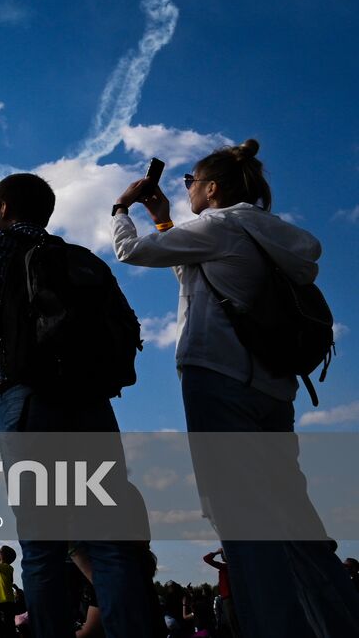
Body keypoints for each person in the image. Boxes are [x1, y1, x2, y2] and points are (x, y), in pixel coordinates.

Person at [113, 138, 359, 637]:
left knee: (241, 522)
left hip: (217, 378)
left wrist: (122, 208)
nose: (186, 190)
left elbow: (130, 250)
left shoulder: (218, 225)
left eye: (190, 183)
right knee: (294, 520)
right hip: (274, 388)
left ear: (213, 188)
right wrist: (164, 219)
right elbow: (200, 271)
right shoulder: (270, 236)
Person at [0, 175, 153, 637]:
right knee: (111, 542)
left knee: (41, 544)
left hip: (27, 401)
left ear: (1, 207)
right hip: (92, 404)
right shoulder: (83, 260)